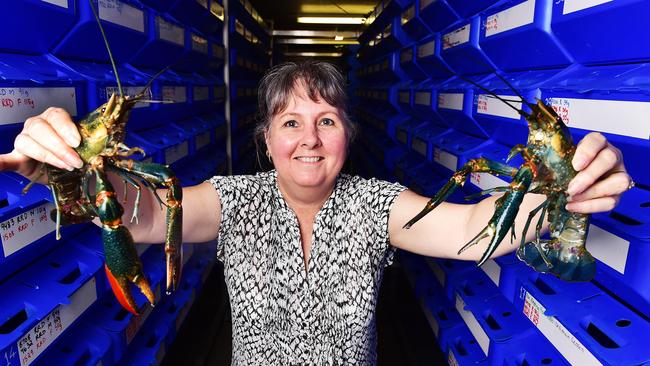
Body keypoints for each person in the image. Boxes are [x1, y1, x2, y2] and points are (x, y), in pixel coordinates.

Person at [0, 61, 632, 365]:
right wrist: (72, 168)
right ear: (267, 139)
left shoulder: (374, 204)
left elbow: (469, 230)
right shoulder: (234, 200)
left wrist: (559, 194)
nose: (308, 138)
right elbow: (139, 215)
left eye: (326, 121)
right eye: (290, 122)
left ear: (346, 136)